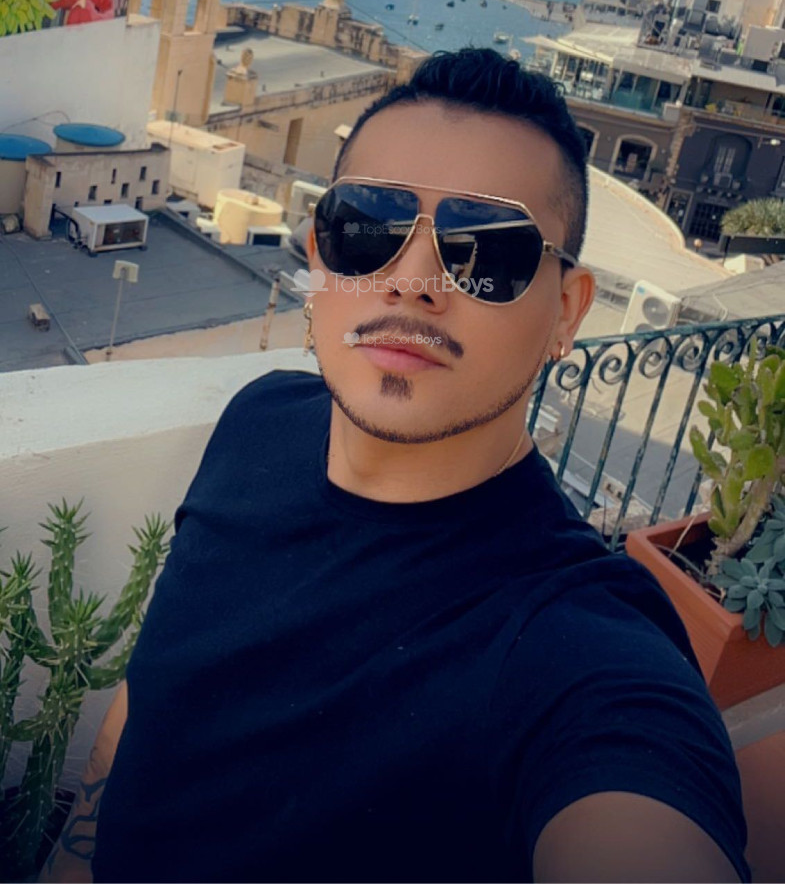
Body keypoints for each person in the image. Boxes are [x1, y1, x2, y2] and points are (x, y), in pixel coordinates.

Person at [42, 49, 749, 883]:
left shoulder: (574, 650)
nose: (412, 280)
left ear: (565, 312)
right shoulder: (257, 423)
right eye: (367, 226)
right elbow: (155, 701)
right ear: (319, 255)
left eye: (485, 249)